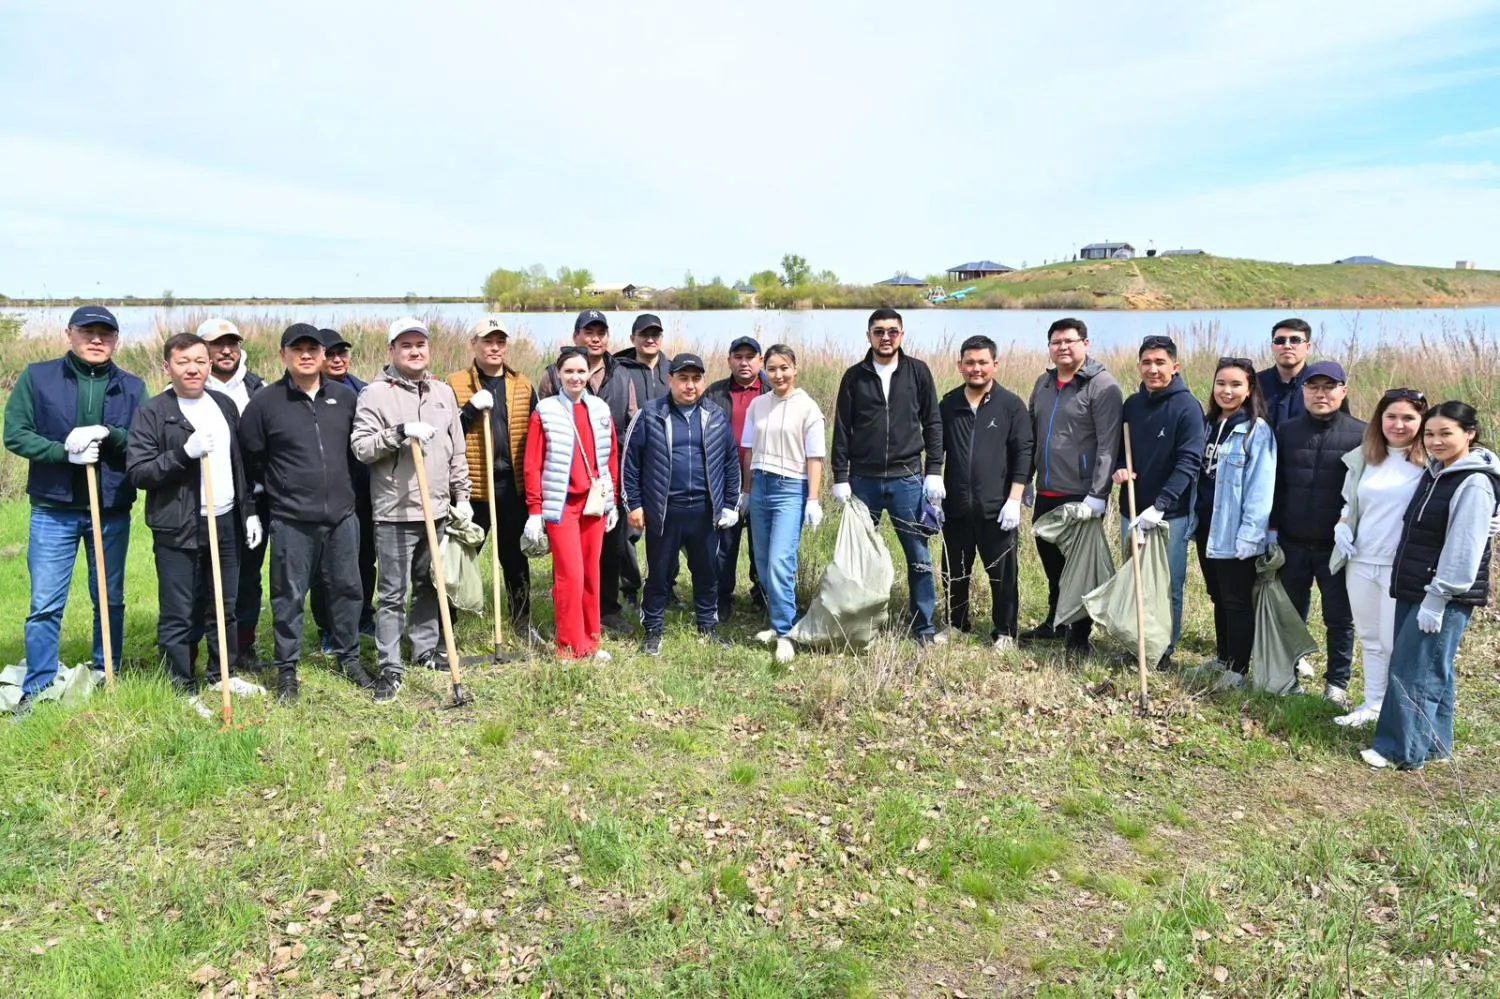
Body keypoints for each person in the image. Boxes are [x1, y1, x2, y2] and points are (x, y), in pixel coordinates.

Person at [3, 306, 145, 717]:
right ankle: (40, 683)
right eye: (88, 332)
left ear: (116, 340)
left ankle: (107, 671)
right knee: (45, 601)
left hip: (110, 508)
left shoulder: (132, 386)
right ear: (70, 334)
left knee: (109, 597)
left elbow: (142, 438)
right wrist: (62, 451)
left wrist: (111, 434)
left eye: (105, 333)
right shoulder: (38, 377)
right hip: (54, 508)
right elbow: (15, 433)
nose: (96, 339)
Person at [1364, 401, 1499, 770]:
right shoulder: (1439, 472)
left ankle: (1399, 749)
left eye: (1446, 433)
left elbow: (1462, 550)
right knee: (1433, 666)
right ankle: (1434, 742)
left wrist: (1438, 597)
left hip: (1441, 594)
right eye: (1430, 434)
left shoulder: (1473, 482)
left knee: (1413, 669)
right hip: (1416, 585)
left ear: (1469, 434)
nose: (1436, 441)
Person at [239, 323, 369, 702]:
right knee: (288, 596)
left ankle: (350, 658)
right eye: (298, 349)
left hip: (343, 516)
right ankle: (287, 671)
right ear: (284, 355)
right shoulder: (265, 403)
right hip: (292, 519)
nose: (307, 354)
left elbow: (354, 455)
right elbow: (251, 459)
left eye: (314, 348)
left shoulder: (344, 399)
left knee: (348, 590)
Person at [126, 333, 259, 693]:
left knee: (224, 606)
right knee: (179, 611)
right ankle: (181, 684)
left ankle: (223, 675)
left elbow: (238, 465)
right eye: (183, 362)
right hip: (178, 525)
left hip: (226, 520)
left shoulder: (223, 405)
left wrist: (249, 512)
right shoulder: (153, 412)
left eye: (200, 360)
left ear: (210, 363)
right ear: (167, 367)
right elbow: (139, 473)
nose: (193, 368)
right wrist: (184, 453)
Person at [351, 317, 471, 703]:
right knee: (391, 593)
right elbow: (362, 447)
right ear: (392, 351)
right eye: (406, 345)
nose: (415, 351)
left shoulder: (442, 392)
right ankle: (390, 665)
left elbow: (457, 449)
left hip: (436, 509)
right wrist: (399, 433)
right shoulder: (374, 394)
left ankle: (424, 651)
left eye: (420, 344)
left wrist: (462, 495)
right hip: (395, 512)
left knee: (430, 586)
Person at [830, 309, 945, 644]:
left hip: (907, 479)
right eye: (878, 331)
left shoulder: (918, 373)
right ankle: (859, 623)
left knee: (919, 557)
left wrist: (934, 472)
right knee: (859, 557)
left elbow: (933, 424)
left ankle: (923, 626)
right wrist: (840, 476)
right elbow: (842, 430)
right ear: (868, 336)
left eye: (892, 331)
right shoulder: (854, 377)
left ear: (902, 335)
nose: (885, 337)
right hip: (863, 480)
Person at [623, 353, 741, 655]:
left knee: (707, 572)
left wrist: (730, 504)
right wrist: (633, 504)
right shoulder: (650, 414)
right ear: (670, 379)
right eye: (683, 378)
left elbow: (730, 462)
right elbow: (630, 464)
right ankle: (653, 630)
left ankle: (707, 626)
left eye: (696, 379)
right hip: (664, 511)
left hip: (704, 511)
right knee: (660, 574)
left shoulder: (715, 415)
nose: (690, 385)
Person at [1022, 317, 1123, 654]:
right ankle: (1055, 621)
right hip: (1047, 490)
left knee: (1079, 569)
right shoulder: (1044, 382)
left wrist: (1098, 495)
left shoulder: (1101, 385)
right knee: (1052, 564)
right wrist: (1025, 480)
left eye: (1069, 341)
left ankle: (1079, 634)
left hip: (1079, 494)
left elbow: (1109, 444)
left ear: (1085, 343)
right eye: (1056, 342)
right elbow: (1031, 434)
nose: (1062, 348)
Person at [1329, 389, 1428, 727]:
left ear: (1422, 421)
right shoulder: (1364, 457)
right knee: (1370, 638)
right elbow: (1350, 504)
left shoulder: (1430, 461)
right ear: (1379, 420)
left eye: (1408, 418)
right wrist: (1342, 526)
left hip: (1399, 565)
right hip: (1360, 560)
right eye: (1391, 417)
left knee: (1391, 641)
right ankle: (1373, 703)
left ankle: (1398, 711)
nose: (1398, 425)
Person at [1269, 361, 1366, 705]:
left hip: (1336, 548)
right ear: (1303, 391)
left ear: (1344, 390)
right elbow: (1276, 485)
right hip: (1292, 542)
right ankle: (1290, 671)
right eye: (1313, 387)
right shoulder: (1287, 431)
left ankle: (1337, 683)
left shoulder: (1362, 435)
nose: (1321, 393)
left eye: (1329, 386)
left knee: (1340, 616)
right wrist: (1271, 530)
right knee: (1291, 612)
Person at [538, 309, 638, 633]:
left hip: (608, 474)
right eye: (588, 331)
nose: (595, 338)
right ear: (576, 336)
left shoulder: (621, 374)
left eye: (601, 332)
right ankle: (567, 620)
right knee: (569, 561)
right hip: (567, 483)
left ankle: (606, 611)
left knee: (610, 549)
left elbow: (632, 421)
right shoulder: (553, 376)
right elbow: (543, 428)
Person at [1109, 335, 1205, 669]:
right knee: (1136, 577)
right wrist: (1119, 469)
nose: (1153, 369)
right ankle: (1138, 641)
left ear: (1175, 367)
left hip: (1169, 515)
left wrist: (1161, 505)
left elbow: (1189, 463)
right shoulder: (1132, 405)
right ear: (1139, 365)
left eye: (1160, 363)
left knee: (1167, 583)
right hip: (1131, 508)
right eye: (1147, 362)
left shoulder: (1187, 408)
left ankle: (1163, 648)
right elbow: (1120, 450)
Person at [524, 346, 620, 661]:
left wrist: (613, 501)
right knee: (571, 575)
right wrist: (535, 511)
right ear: (558, 374)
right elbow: (532, 464)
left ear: (588, 374)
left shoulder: (600, 409)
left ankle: (591, 641)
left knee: (592, 573)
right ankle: (568, 647)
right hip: (561, 506)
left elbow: (611, 458)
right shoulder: (545, 411)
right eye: (569, 372)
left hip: (593, 505)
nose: (575, 377)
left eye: (581, 371)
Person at [937, 335, 1033, 650]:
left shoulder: (1011, 405)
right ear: (960, 365)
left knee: (1003, 574)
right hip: (956, 509)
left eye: (982, 362)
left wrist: (1015, 500)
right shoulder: (949, 404)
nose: (976, 369)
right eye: (969, 362)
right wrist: (933, 486)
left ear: (995, 364)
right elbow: (937, 451)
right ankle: (956, 624)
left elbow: (1024, 453)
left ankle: (1005, 632)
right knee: (955, 570)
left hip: (997, 509)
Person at [447, 316, 538, 641]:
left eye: (500, 341)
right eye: (488, 341)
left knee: (515, 560)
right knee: (461, 558)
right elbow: (446, 433)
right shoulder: (455, 383)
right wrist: (469, 409)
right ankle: (447, 626)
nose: (495, 347)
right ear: (474, 344)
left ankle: (521, 623)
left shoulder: (523, 384)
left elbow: (536, 435)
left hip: (512, 488)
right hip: (474, 490)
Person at [737, 345, 826, 664]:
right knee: (762, 562)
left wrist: (813, 499)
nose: (779, 375)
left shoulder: (808, 407)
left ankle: (786, 632)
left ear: (795, 368)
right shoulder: (758, 405)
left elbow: (815, 457)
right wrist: (746, 492)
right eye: (772, 369)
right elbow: (748, 450)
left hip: (791, 488)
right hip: (760, 484)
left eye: (784, 368)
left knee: (780, 561)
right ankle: (777, 623)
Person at [1193, 358, 1276, 691]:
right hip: (1206, 526)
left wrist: (1251, 534)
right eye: (1221, 383)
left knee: (1238, 599)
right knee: (1217, 594)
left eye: (1236, 384)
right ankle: (1223, 657)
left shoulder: (1256, 430)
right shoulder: (1208, 424)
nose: (1227, 391)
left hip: (1234, 529)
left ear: (1250, 388)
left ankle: (1239, 669)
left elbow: (1261, 486)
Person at [200, 317, 271, 671]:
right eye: (217, 344)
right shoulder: (190, 387)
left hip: (255, 499)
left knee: (249, 577)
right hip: (210, 498)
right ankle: (205, 649)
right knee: (206, 578)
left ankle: (243, 646)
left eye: (232, 343)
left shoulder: (259, 387)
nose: (226, 350)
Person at [310, 327, 376, 640]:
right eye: (331, 353)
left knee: (364, 558)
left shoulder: (364, 391)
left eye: (342, 353)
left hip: (362, 490)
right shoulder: (309, 393)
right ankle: (328, 628)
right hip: (325, 493)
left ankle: (364, 617)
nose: (337, 359)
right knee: (325, 566)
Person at [706, 336, 771, 620]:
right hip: (724, 477)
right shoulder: (714, 393)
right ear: (729, 359)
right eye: (738, 356)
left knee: (763, 541)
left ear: (760, 360)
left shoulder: (772, 390)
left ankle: (763, 595)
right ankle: (722, 597)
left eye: (750, 356)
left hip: (764, 476)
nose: (744, 362)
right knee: (725, 542)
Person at [611, 314, 669, 609]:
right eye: (644, 334)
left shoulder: (673, 370)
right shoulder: (619, 369)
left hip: (665, 462)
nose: (650, 339)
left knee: (667, 528)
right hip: (629, 459)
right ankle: (630, 587)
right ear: (633, 338)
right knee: (628, 529)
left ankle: (664, 586)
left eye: (655, 334)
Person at [1256, 318, 1312, 428]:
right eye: (1280, 341)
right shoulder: (1254, 384)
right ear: (1272, 346)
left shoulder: (1320, 385)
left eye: (1295, 340)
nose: (1287, 346)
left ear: (1308, 347)